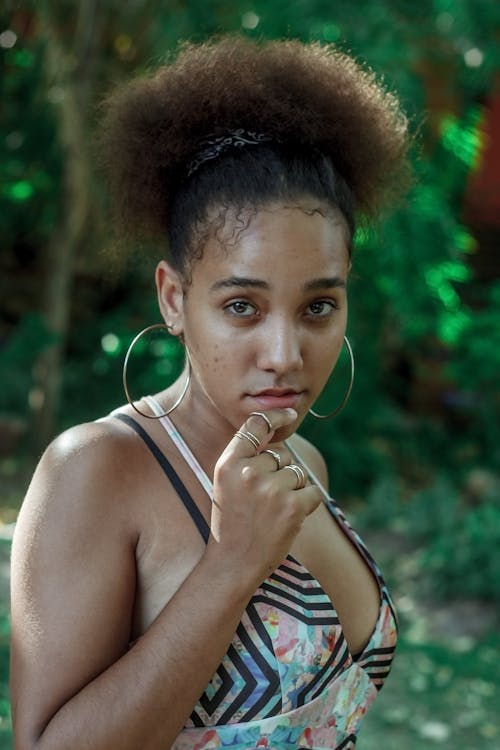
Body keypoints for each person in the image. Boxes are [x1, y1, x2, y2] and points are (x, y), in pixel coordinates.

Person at [10, 36, 410, 750]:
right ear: (173, 298)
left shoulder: (302, 465)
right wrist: (230, 566)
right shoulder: (95, 472)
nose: (285, 356)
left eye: (318, 306)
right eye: (242, 307)